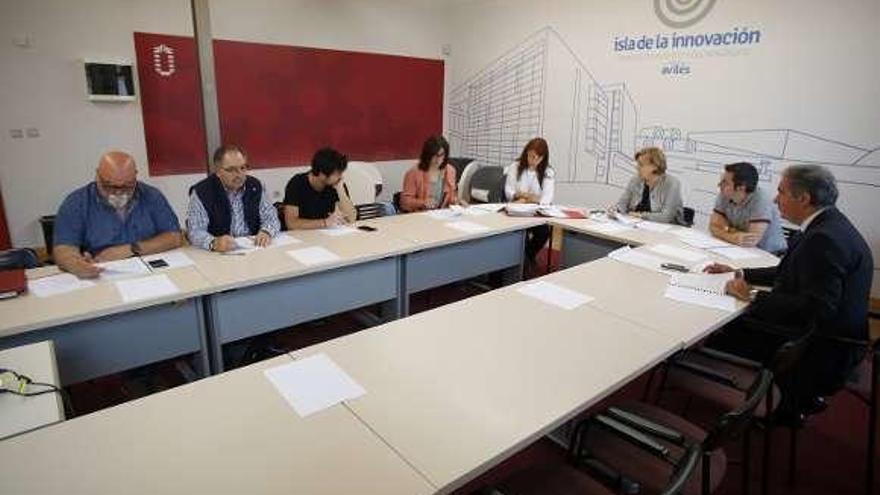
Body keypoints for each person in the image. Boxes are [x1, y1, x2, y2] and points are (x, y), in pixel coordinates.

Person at [705, 165, 873, 419]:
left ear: (803, 198)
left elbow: (817, 308)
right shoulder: (828, 225)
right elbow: (790, 272)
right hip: (830, 335)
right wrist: (740, 272)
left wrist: (751, 296)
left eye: (781, 192)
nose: (775, 199)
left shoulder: (823, 239)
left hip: (821, 348)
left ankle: (776, 402)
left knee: (721, 333)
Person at [53, 151, 182, 279]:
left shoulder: (152, 196)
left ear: (135, 176)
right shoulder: (76, 202)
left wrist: (131, 249)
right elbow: (63, 248)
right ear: (97, 175)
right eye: (109, 186)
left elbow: (174, 237)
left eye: (127, 186)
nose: (118, 193)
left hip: (148, 272)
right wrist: (77, 265)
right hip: (101, 273)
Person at [186, 144, 281, 252]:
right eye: (231, 170)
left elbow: (271, 217)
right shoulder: (202, 192)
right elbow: (195, 231)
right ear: (218, 171)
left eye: (243, 168)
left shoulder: (255, 186)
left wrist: (266, 232)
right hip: (219, 255)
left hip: (254, 249)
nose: (239, 174)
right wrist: (213, 243)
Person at [709, 162, 786, 254]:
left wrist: (725, 231)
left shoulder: (761, 200)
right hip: (741, 250)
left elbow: (750, 241)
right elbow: (713, 226)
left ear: (741, 188)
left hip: (770, 254)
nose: (719, 185)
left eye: (725, 182)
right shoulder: (725, 194)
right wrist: (733, 236)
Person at [504, 137, 554, 265]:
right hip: (516, 210)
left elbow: (546, 199)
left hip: (534, 213)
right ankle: (519, 261)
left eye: (538, 158)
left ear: (543, 158)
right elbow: (509, 191)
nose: (533, 161)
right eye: (531, 156)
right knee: (521, 233)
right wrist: (519, 195)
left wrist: (527, 198)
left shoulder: (548, 172)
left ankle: (527, 257)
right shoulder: (515, 166)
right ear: (526, 153)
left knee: (544, 232)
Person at [283, 147, 356, 229]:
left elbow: (351, 218)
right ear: (322, 174)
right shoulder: (297, 184)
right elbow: (291, 224)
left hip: (323, 236)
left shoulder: (336, 184)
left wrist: (340, 190)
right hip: (301, 236)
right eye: (337, 174)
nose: (341, 177)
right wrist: (325, 222)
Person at [613, 147, 684, 224]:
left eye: (641, 164)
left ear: (655, 166)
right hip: (637, 226)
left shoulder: (672, 184)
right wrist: (616, 211)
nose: (637, 167)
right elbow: (622, 203)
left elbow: (666, 217)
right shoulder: (635, 180)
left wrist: (641, 216)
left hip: (664, 231)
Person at [400, 135, 457, 212]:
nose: (438, 159)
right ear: (427, 155)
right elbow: (405, 202)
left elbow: (450, 198)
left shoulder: (450, 171)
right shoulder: (413, 173)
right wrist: (422, 203)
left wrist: (457, 201)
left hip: (441, 215)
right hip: (419, 215)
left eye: (441, 155)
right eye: (434, 155)